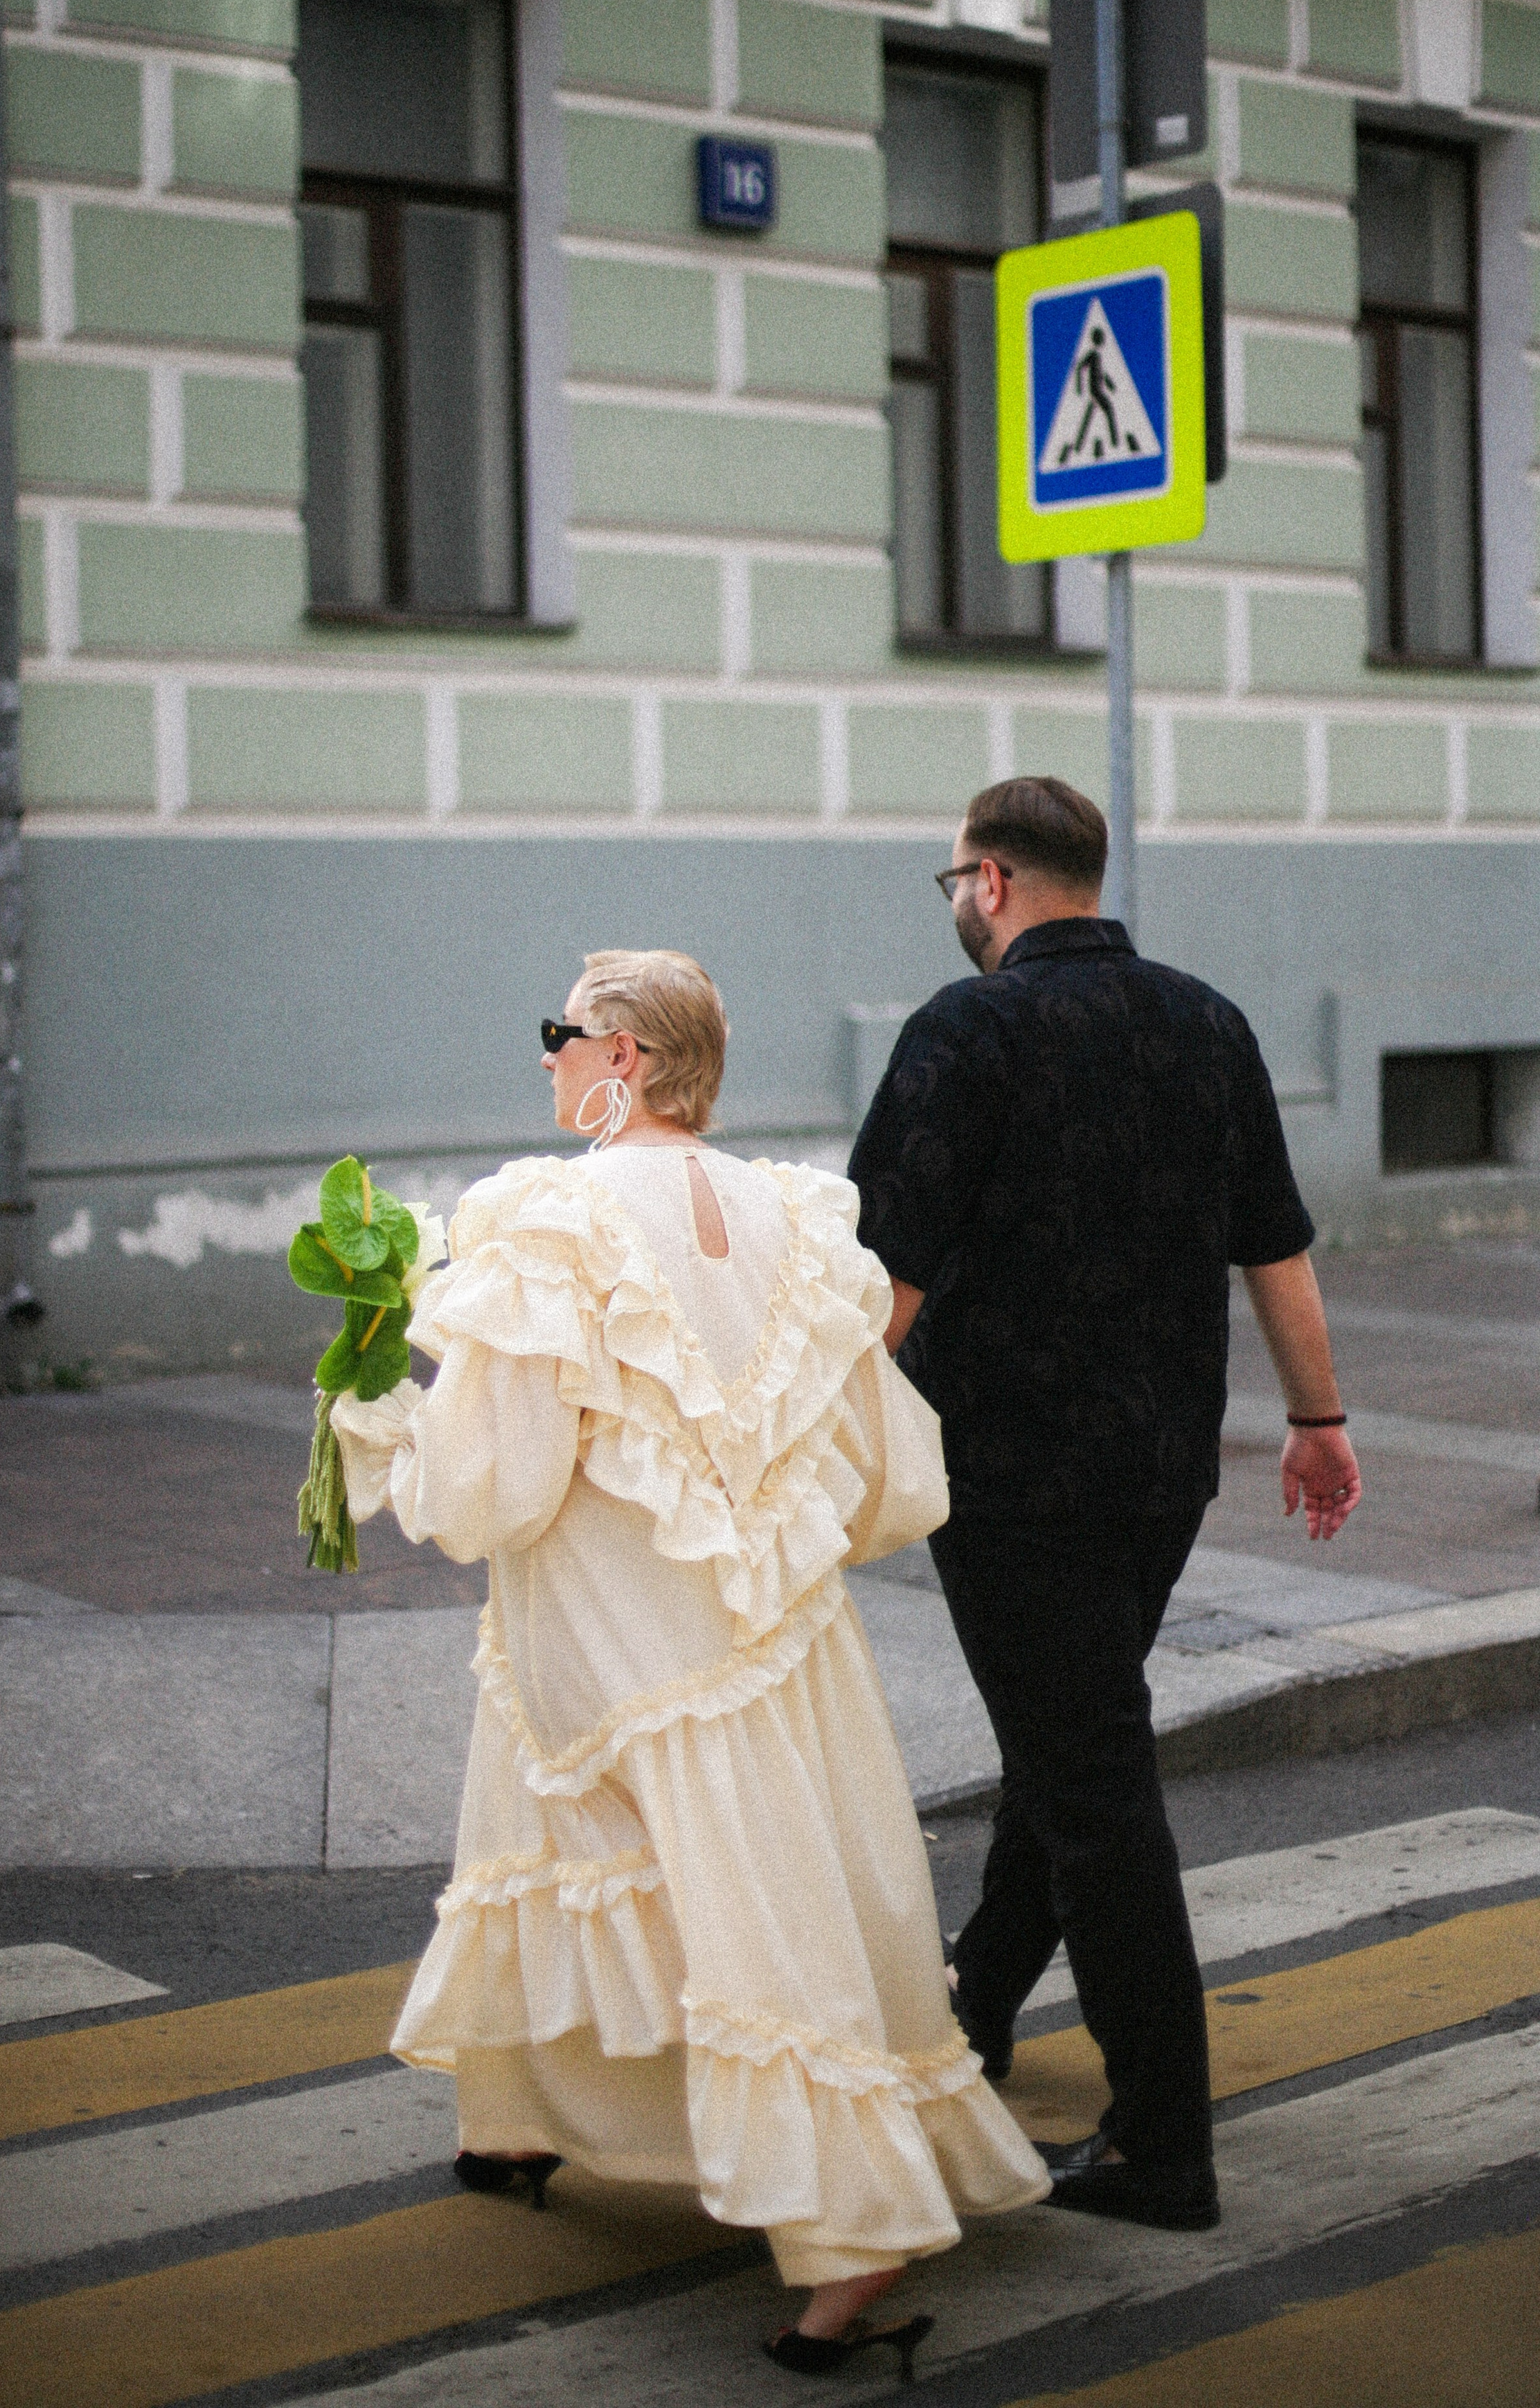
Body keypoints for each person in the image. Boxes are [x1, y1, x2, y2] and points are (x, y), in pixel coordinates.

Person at [332, 948, 1048, 2377]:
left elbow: (493, 1484)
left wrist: (373, 1424)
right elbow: (873, 1462)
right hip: (774, 1630)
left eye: (562, 1031)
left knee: (709, 1895)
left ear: (629, 1058)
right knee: (722, 1871)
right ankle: (522, 2118)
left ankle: (855, 2234)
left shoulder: (546, 1215)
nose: (546, 1055)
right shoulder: (798, 1213)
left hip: (616, 1623)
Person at [848, 778, 1361, 2234]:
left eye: (952, 878)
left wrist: (804, 1442)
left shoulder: (966, 1032)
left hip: (1012, 1481)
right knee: (1066, 1742)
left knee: (1088, 1783)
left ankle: (1163, 2144)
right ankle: (977, 2009)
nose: (955, 900)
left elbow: (878, 1281)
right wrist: (1317, 1421)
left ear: (994, 882)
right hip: (1160, 1470)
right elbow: (1275, 1246)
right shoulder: (1208, 1023)